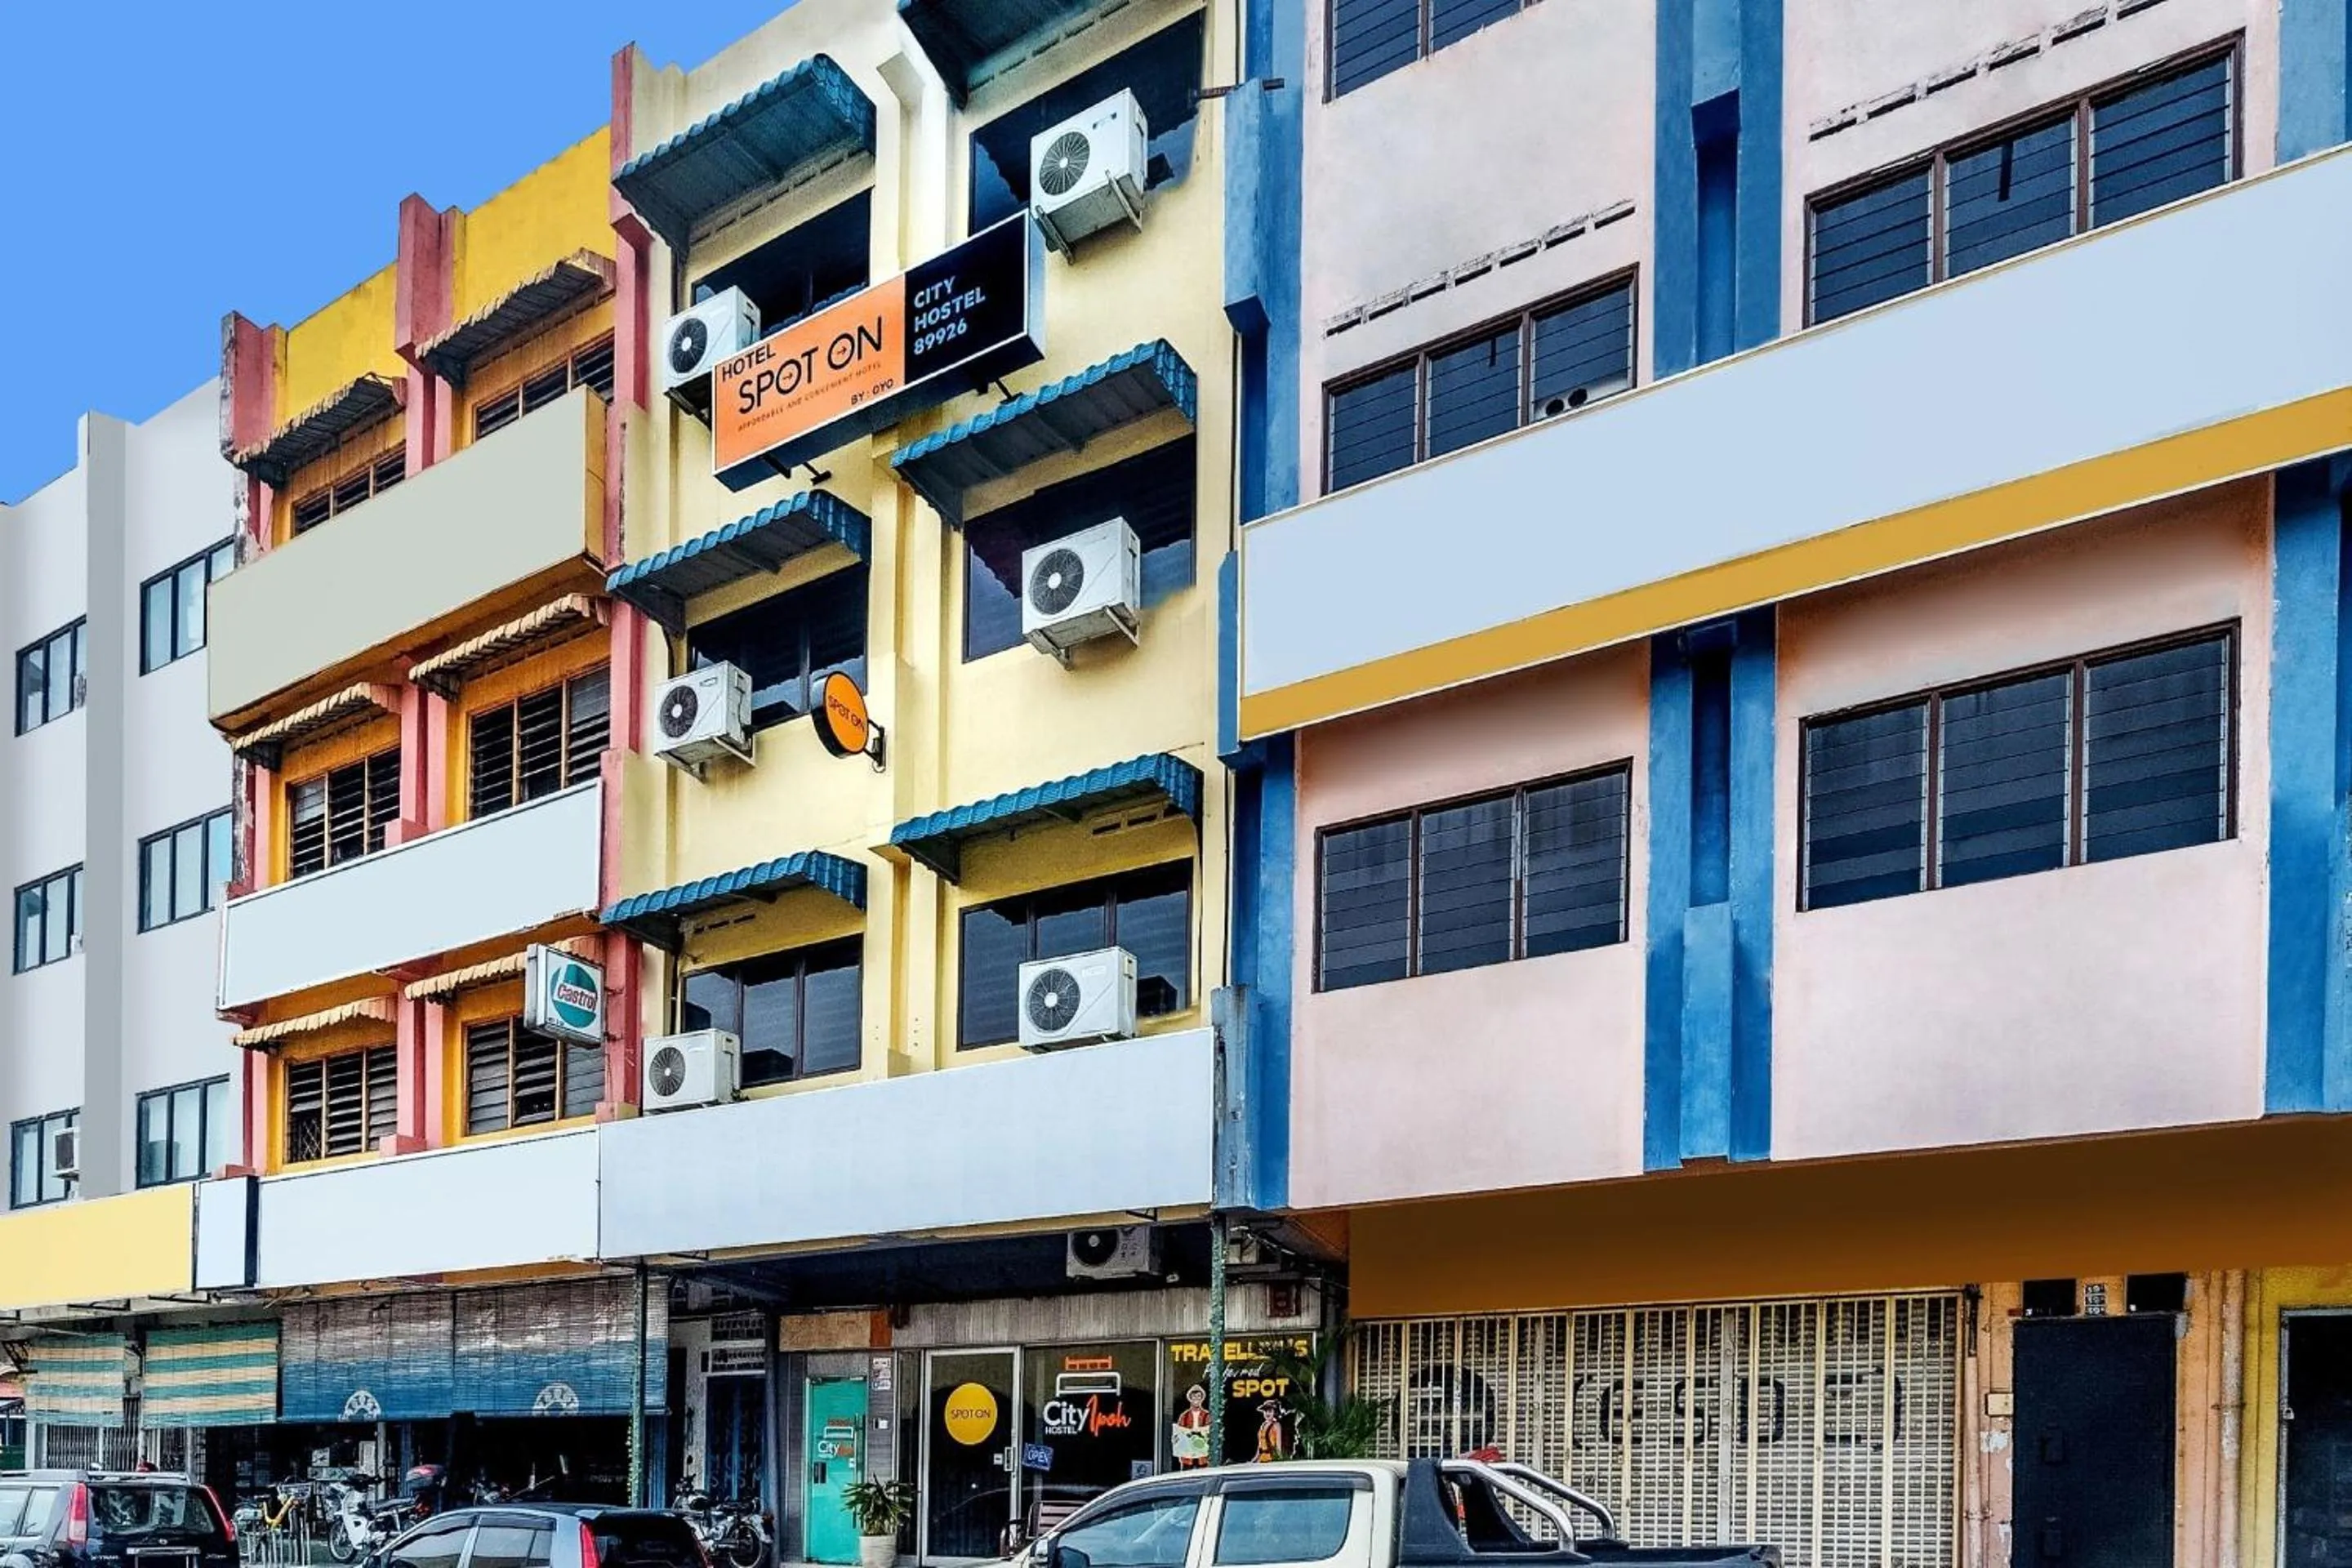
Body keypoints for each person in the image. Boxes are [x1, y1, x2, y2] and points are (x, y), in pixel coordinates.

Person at [1170, 1385, 1212, 1469]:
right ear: (1190, 1398)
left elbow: (1210, 1431)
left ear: (1202, 1399)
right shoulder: (1184, 1416)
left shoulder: (1207, 1415)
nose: (1196, 1399)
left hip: (1202, 1453)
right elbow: (1179, 1433)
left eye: (1199, 1396)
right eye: (1194, 1397)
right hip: (1188, 1454)